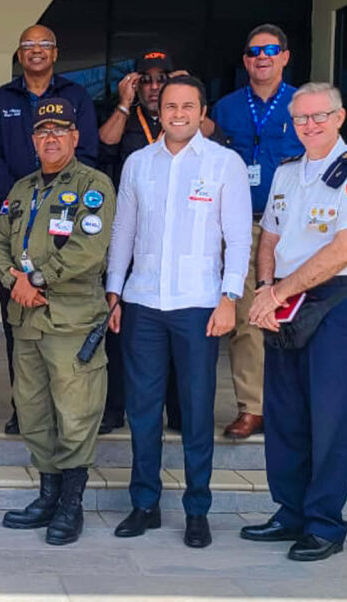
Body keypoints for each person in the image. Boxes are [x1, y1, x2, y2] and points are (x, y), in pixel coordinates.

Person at [242, 83, 347, 562]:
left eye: (318, 117)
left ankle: (325, 523)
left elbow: (345, 249)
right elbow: (270, 237)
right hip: (283, 298)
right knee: (284, 414)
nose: (309, 126)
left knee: (330, 417)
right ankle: (290, 512)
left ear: (339, 117)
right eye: (300, 119)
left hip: (335, 302)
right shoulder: (287, 173)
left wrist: (278, 292)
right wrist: (266, 287)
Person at [108, 76, 251, 549]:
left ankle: (197, 509)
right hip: (144, 303)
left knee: (194, 411)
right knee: (143, 410)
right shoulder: (137, 164)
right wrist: (114, 292)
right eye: (170, 105)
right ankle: (144, 504)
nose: (178, 113)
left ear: (201, 110)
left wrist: (230, 297)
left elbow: (238, 237)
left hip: (198, 305)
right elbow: (123, 232)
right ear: (158, 110)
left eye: (188, 105)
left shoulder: (223, 163)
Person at [0, 97, 115, 545]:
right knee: (33, 410)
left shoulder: (92, 185)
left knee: (75, 411)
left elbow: (88, 250)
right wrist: (15, 282)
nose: (50, 138)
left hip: (71, 319)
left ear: (75, 137)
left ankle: (71, 503)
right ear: (33, 139)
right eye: (43, 132)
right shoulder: (21, 189)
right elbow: (1, 243)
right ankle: (47, 495)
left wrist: (37, 278)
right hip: (25, 319)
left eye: (59, 131)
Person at [0, 24, 98, 434]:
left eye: (43, 45)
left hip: (64, 227)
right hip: (16, 223)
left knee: (62, 321)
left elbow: (86, 153)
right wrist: (16, 198)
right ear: (19, 52)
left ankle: (64, 409)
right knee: (20, 320)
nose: (35, 51)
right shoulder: (2, 98)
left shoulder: (76, 96)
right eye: (28, 45)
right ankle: (24, 408)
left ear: (55, 52)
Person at [97, 49, 208, 435]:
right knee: (121, 329)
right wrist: (124, 104)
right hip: (133, 237)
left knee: (177, 328)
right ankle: (116, 408)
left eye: (163, 78)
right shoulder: (130, 118)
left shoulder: (187, 118)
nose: (155, 86)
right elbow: (103, 144)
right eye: (147, 79)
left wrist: (185, 92)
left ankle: (176, 412)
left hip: (180, 242)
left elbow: (211, 134)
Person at [211, 24, 305, 439]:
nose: (261, 57)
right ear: (245, 60)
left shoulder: (305, 105)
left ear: (285, 56)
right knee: (249, 317)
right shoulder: (226, 108)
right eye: (253, 52)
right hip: (244, 225)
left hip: (297, 227)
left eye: (270, 50)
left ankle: (297, 408)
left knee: (299, 317)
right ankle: (254, 407)